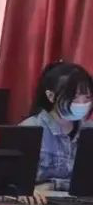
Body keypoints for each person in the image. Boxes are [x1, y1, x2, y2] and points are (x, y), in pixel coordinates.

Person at [20, 62, 92, 192]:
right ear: (51, 96)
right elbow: (15, 183)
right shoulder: (30, 129)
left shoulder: (89, 130)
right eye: (74, 98)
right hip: (41, 202)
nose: (82, 104)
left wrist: (53, 185)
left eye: (87, 98)